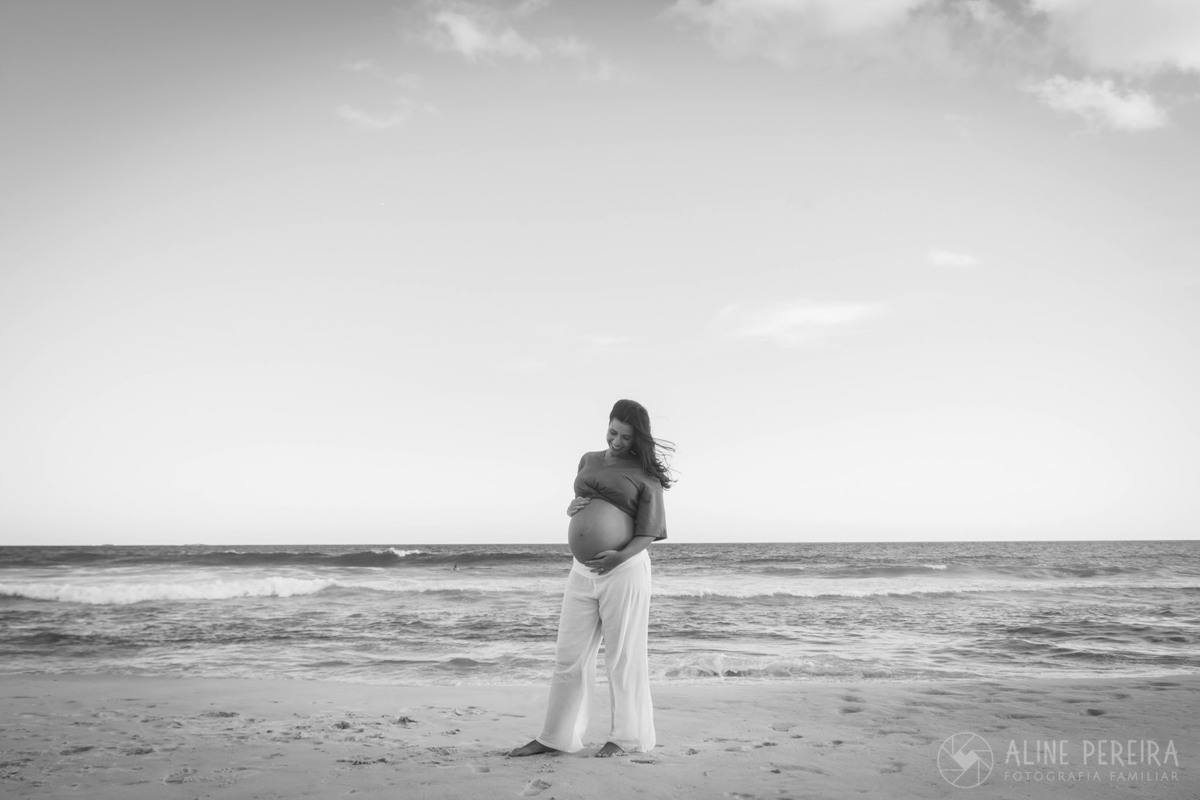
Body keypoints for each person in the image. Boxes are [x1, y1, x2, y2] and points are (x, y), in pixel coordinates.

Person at [509, 399, 674, 759]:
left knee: (623, 657)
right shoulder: (589, 459)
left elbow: (650, 532)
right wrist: (572, 507)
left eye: (626, 437)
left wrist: (618, 556)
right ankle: (555, 737)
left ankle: (626, 738)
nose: (617, 441)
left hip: (624, 570)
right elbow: (582, 499)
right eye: (613, 432)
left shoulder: (645, 475)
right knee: (568, 656)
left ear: (638, 439)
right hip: (581, 571)